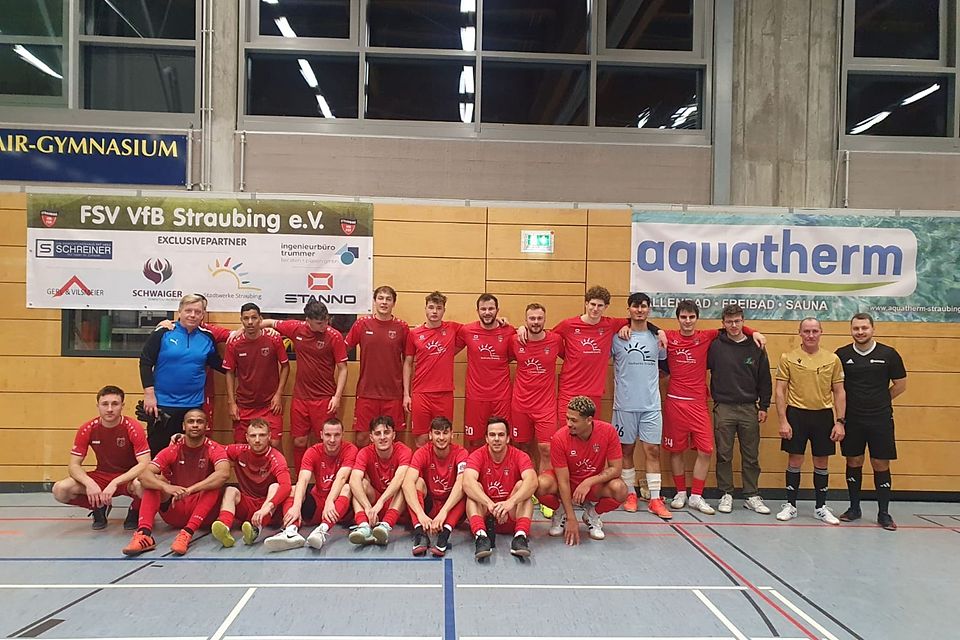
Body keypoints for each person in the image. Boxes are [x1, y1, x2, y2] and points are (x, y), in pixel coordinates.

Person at [663, 300, 764, 515]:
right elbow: (646, 328)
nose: (687, 321)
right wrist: (658, 332)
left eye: (691, 317)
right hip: (674, 401)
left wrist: (752, 331)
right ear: (678, 318)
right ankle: (681, 492)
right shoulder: (669, 336)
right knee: (676, 450)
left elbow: (732, 327)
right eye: (683, 317)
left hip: (698, 403)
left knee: (706, 450)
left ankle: (696, 496)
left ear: (696, 318)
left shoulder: (706, 336)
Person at [122, 409, 230, 556]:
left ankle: (186, 534)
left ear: (207, 426)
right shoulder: (173, 449)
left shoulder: (214, 448)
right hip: (174, 508)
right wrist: (166, 487)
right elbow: (144, 474)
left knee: (215, 485)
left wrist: (191, 489)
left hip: (203, 513)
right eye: (191, 421)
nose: (195, 425)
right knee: (152, 483)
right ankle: (144, 534)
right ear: (184, 426)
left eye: (200, 422)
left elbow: (223, 474)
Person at [836, 313, 907, 531]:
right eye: (856, 328)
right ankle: (854, 508)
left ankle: (883, 513)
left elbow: (900, 384)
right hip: (852, 420)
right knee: (853, 462)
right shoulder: (841, 355)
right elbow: (837, 387)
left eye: (864, 328)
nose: (860, 332)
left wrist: (880, 401)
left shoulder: (889, 354)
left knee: (880, 464)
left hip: (880, 419)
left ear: (872, 329)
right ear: (851, 330)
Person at [774, 317, 846, 525]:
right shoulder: (788, 357)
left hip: (823, 415)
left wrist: (840, 421)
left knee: (821, 462)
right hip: (796, 414)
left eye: (815, 331)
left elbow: (840, 392)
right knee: (794, 460)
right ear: (800, 333)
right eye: (806, 331)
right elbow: (780, 391)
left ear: (821, 332)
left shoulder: (832, 359)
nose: (811, 335)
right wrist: (783, 421)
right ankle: (791, 505)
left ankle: (820, 507)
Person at [262, 301, 348, 472]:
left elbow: (343, 368)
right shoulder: (296, 328)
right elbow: (268, 322)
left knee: (324, 441)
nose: (324, 325)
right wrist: (240, 331)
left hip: (324, 398)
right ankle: (303, 477)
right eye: (319, 323)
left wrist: (337, 397)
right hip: (301, 397)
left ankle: (325, 478)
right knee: (299, 441)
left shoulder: (334, 336)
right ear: (308, 320)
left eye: (326, 321)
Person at [52, 385, 151, 530]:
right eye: (105, 404)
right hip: (102, 476)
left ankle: (135, 511)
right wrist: (89, 483)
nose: (110, 409)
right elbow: (73, 465)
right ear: (98, 405)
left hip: (128, 478)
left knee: (143, 486)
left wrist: (116, 482)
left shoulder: (133, 427)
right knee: (60, 489)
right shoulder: (87, 428)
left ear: (122, 406)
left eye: (115, 404)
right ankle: (99, 506)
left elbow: (144, 463)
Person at [610, 293, 672, 519]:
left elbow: (665, 368)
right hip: (624, 405)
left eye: (643, 306)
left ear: (649, 310)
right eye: (635, 306)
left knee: (652, 451)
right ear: (629, 310)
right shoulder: (617, 338)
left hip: (651, 406)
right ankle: (630, 494)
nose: (639, 310)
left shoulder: (658, 338)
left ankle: (655, 498)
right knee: (626, 450)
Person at [139, 294, 224, 455]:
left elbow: (218, 365)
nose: (193, 315)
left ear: (203, 314)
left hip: (193, 406)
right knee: (159, 452)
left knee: (189, 453)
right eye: (188, 310)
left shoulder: (207, 337)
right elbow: (145, 362)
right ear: (180, 311)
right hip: (163, 405)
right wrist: (149, 394)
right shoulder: (163, 332)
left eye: (197, 312)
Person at [707, 304, 773, 515]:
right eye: (729, 322)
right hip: (724, 407)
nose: (733, 325)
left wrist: (763, 406)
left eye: (737, 321)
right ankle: (725, 493)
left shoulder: (756, 346)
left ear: (743, 321)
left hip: (748, 408)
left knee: (751, 455)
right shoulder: (715, 345)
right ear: (723, 323)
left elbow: (765, 379)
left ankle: (751, 494)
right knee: (724, 454)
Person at [537, 397, 628, 544]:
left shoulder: (608, 432)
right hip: (567, 484)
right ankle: (561, 511)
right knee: (540, 485)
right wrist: (571, 518)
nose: (568, 424)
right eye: (567, 418)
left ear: (589, 420)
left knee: (621, 489)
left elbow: (616, 469)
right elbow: (563, 481)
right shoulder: (559, 438)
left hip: (592, 486)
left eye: (574, 420)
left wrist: (589, 481)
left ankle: (592, 515)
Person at [266, 417, 357, 551]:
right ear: (321, 435)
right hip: (318, 505)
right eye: (328, 435)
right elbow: (303, 479)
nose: (332, 440)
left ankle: (321, 531)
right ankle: (291, 532)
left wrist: (330, 501)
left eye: (336, 435)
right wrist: (296, 506)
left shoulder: (350, 449)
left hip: (340, 507)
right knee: (294, 489)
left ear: (342, 435)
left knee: (347, 488)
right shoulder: (313, 451)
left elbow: (342, 477)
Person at [462, 417, 538, 560]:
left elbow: (533, 481)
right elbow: (467, 482)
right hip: (486, 514)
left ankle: (520, 537)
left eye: (501, 435)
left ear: (508, 438)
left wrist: (510, 503)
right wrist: (490, 504)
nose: (496, 439)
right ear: (486, 438)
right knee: (474, 487)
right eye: (492, 435)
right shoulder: (477, 455)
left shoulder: (520, 456)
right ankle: (481, 537)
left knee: (523, 486)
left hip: (511, 513)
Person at [210, 419, 292, 548]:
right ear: (247, 437)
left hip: (270, 511)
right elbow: (212, 448)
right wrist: (184, 439)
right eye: (253, 436)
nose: (257, 440)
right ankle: (224, 527)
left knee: (275, 486)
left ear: (269, 436)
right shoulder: (239, 451)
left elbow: (286, 486)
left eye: (262, 435)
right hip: (248, 506)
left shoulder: (277, 457)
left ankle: (255, 530)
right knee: (230, 490)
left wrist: (267, 508)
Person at [345, 285, 409, 448]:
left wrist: (407, 394)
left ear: (394, 303)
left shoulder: (402, 327)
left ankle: (395, 474)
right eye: (380, 298)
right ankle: (361, 473)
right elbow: (341, 349)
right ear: (374, 301)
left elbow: (408, 361)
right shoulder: (362, 324)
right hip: (367, 392)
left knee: (394, 439)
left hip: (393, 394)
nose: (384, 302)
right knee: (362, 438)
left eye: (388, 299)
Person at [223, 303, 289, 449]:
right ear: (241, 320)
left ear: (260, 319)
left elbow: (285, 366)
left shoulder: (274, 339)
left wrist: (279, 394)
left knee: (275, 444)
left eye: (254, 318)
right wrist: (231, 403)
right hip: (244, 405)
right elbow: (229, 372)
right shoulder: (234, 343)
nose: (250, 322)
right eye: (246, 318)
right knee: (241, 447)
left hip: (269, 404)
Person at [403, 292, 465, 448]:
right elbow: (408, 363)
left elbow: (480, 328)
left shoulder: (452, 328)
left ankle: (442, 472)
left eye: (439, 308)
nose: (434, 311)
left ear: (444, 310)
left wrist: (500, 321)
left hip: (444, 393)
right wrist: (406, 394)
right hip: (421, 393)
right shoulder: (414, 334)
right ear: (425, 309)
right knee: (421, 439)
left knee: (443, 438)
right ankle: (424, 472)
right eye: (431, 307)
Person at [402, 416, 468, 557]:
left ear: (452, 434)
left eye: (445, 433)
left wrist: (444, 512)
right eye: (437, 433)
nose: (441, 437)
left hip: (451, 508)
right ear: (430, 435)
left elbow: (462, 481)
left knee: (466, 485)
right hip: (429, 508)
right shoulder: (422, 453)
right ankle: (420, 532)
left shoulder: (461, 453)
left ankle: (444, 535)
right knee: (416, 483)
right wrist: (421, 514)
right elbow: (407, 483)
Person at [508, 303, 564, 469]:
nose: (536, 322)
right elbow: (504, 358)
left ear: (545, 320)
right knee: (522, 449)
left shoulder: (555, 340)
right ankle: (527, 489)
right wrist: (517, 329)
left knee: (546, 449)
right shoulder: (515, 341)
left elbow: (570, 357)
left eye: (539, 318)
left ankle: (543, 492)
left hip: (545, 407)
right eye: (532, 318)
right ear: (525, 320)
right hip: (520, 405)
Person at [459, 294, 514, 450]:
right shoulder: (467, 330)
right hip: (476, 396)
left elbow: (516, 352)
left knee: (502, 440)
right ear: (477, 311)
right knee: (474, 442)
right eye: (483, 309)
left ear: (497, 310)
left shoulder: (509, 331)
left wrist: (522, 327)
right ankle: (473, 474)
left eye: (491, 308)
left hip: (501, 396)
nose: (487, 312)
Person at [348, 416, 412, 545]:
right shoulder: (365, 452)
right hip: (374, 507)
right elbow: (353, 480)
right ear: (371, 437)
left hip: (397, 504)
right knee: (360, 485)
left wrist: (380, 502)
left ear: (393, 435)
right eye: (378, 433)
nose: (382, 437)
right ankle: (364, 526)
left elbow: (399, 478)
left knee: (405, 483)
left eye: (386, 433)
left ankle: (386, 525)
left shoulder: (404, 451)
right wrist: (367, 507)